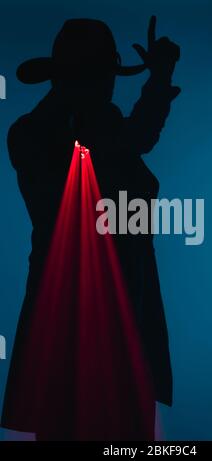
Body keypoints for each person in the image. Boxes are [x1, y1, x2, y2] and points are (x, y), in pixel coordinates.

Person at [1, 17, 180, 440]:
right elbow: (127, 143)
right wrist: (156, 82)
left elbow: (132, 139)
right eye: (99, 78)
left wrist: (159, 81)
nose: (108, 89)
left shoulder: (104, 126)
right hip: (70, 331)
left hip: (125, 326)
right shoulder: (34, 134)